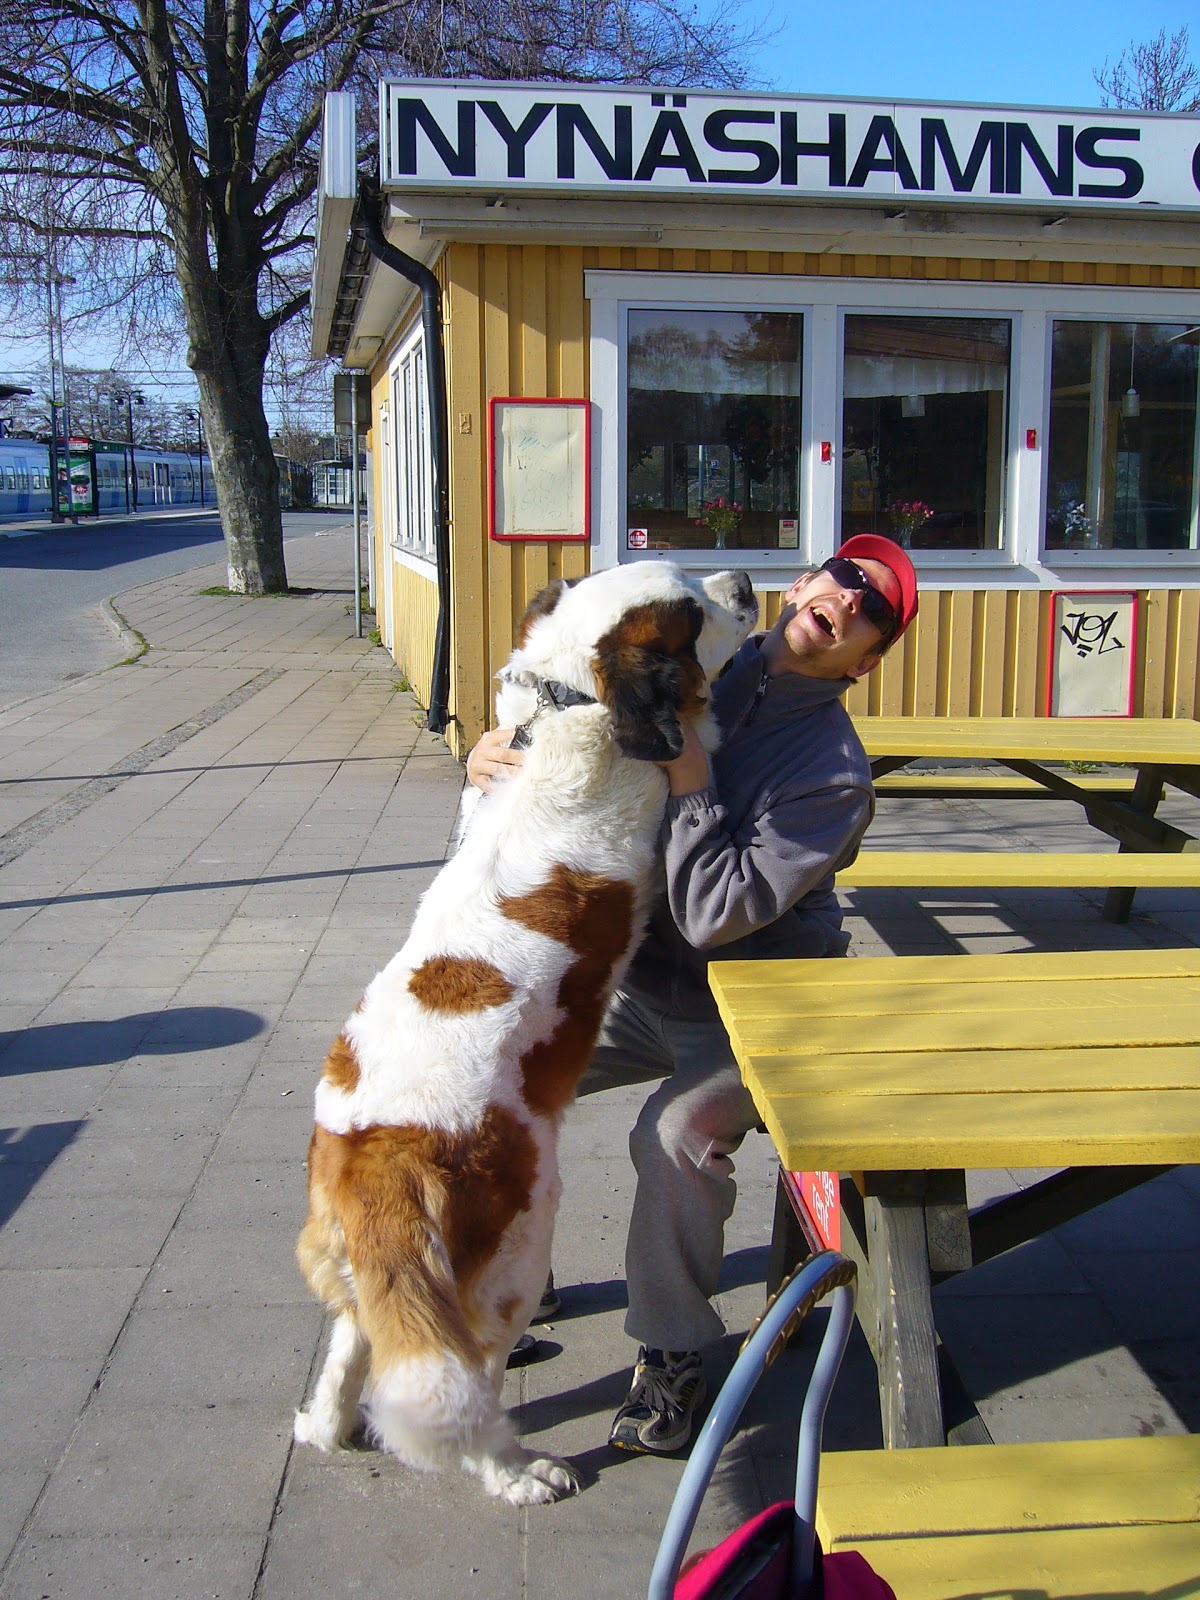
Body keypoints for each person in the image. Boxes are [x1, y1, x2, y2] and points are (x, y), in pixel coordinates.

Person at [467, 534, 919, 1454]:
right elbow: (564, 698)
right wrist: (495, 754)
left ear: (865, 660)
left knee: (673, 1134)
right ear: (805, 584)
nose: (850, 599)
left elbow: (717, 916)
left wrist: (691, 776)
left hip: (758, 1003)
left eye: (874, 609)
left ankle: (671, 1353)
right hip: (638, 978)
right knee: (490, 1074)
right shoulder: (697, 652)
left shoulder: (833, 774)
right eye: (845, 577)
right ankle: (516, 1279)